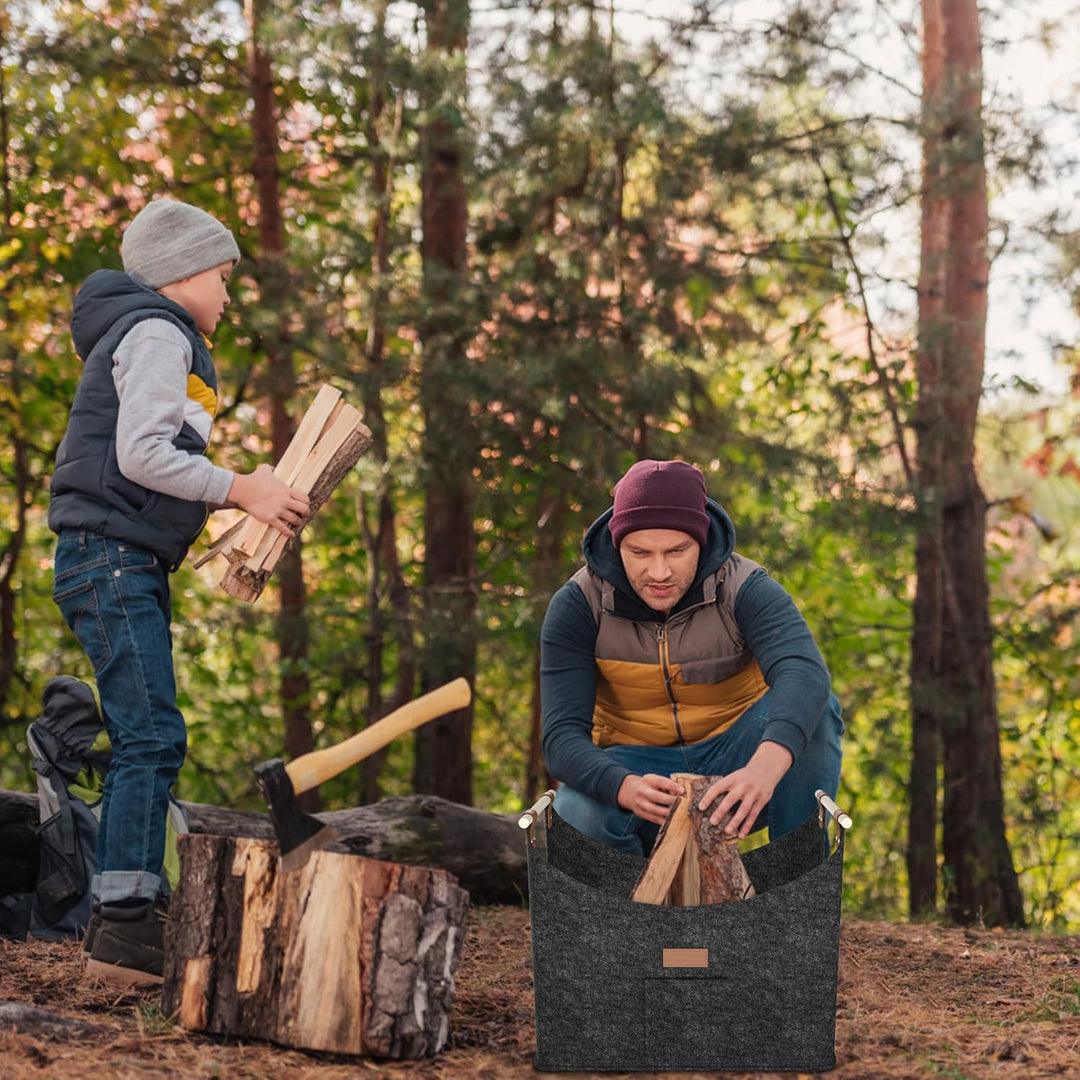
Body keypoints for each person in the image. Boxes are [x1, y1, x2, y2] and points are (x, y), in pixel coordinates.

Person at [48, 198, 311, 985]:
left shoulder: (151, 333)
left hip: (118, 559)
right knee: (151, 734)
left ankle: (124, 912)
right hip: (110, 558)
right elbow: (143, 454)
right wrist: (242, 489)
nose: (229, 294)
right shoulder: (158, 330)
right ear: (182, 272)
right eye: (224, 276)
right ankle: (126, 921)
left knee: (150, 730)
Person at [540, 459, 843, 856]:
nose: (659, 572)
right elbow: (561, 736)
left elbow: (803, 671)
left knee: (818, 711)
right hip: (637, 770)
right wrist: (624, 787)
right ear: (616, 544)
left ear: (701, 541)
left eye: (677, 551)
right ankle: (633, 896)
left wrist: (763, 769)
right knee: (574, 812)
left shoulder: (746, 588)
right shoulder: (578, 604)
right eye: (639, 552)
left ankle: (796, 881)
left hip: (739, 760)